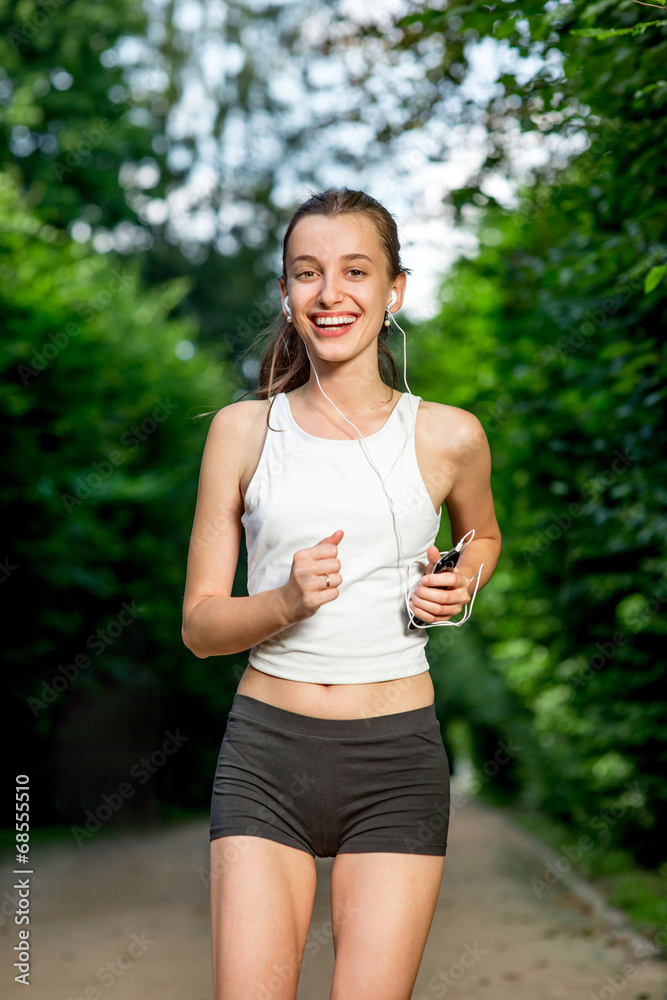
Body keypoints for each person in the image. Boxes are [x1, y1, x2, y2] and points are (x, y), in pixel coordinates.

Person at [181, 187, 501, 1000]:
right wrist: (284, 603)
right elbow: (201, 627)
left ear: (394, 290)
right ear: (285, 294)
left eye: (355, 272)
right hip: (266, 755)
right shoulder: (242, 431)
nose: (331, 294)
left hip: (396, 760)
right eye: (306, 273)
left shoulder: (449, 435)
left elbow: (483, 539)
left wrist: (457, 585)